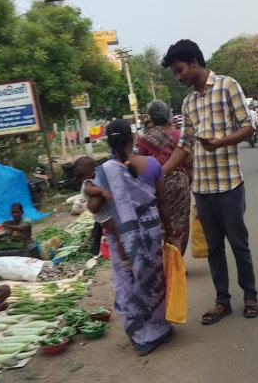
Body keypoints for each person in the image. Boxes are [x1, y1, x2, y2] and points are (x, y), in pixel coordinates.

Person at [161, 39, 258, 324]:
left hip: (229, 185)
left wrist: (220, 143)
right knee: (214, 248)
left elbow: (248, 126)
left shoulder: (228, 86)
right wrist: (157, 173)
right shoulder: (188, 102)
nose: (179, 77)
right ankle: (222, 301)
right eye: (175, 73)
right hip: (203, 189)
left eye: (180, 70)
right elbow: (184, 146)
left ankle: (250, 296)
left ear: (194, 62)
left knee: (239, 244)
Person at [87, 119, 175, 356]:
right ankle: (161, 328)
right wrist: (170, 232)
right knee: (154, 281)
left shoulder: (105, 171)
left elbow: (95, 208)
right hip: (151, 234)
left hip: (123, 241)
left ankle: (141, 336)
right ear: (132, 138)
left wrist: (91, 188)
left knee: (129, 285)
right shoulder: (153, 164)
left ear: (109, 142)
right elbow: (163, 201)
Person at [138, 100, 191, 255]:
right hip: (180, 185)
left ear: (151, 118)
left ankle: (164, 260)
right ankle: (177, 260)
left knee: (162, 223)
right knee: (181, 223)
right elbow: (189, 162)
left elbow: (142, 166)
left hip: (158, 185)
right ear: (169, 114)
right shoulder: (180, 136)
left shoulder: (146, 139)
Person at [73, 156, 127, 260]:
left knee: (119, 235)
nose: (96, 171)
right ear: (88, 172)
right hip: (105, 217)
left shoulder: (92, 181)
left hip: (104, 216)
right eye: (94, 169)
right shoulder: (88, 183)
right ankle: (125, 259)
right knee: (120, 235)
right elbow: (88, 190)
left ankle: (124, 258)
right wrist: (103, 191)